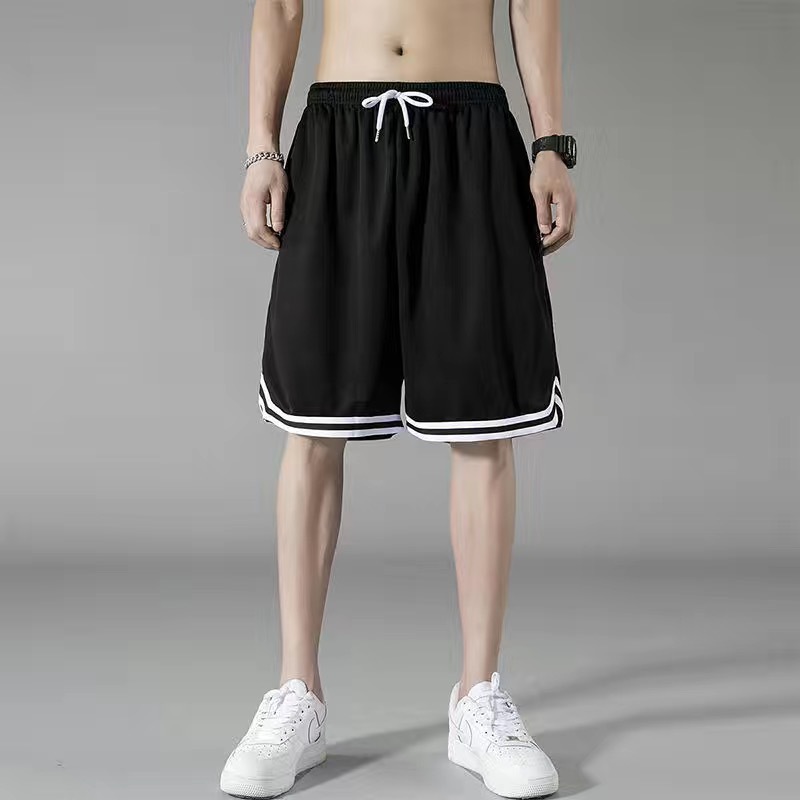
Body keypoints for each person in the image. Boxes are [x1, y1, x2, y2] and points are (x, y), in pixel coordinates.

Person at [221, 1, 577, 797]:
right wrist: (261, 147)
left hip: (471, 132)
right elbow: (280, 4)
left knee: (484, 424)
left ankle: (477, 696)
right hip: (340, 134)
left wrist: (551, 144)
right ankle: (298, 695)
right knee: (313, 424)